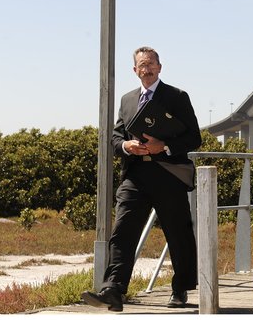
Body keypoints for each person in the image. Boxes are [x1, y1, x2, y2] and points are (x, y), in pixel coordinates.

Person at [82, 46, 202, 311]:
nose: (146, 69)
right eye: (141, 65)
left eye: (150, 64)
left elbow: (194, 137)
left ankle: (180, 288)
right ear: (134, 70)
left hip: (169, 174)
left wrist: (165, 146)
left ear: (160, 67)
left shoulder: (177, 96)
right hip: (135, 175)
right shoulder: (127, 100)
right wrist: (127, 147)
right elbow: (116, 137)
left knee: (178, 233)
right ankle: (113, 289)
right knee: (123, 230)